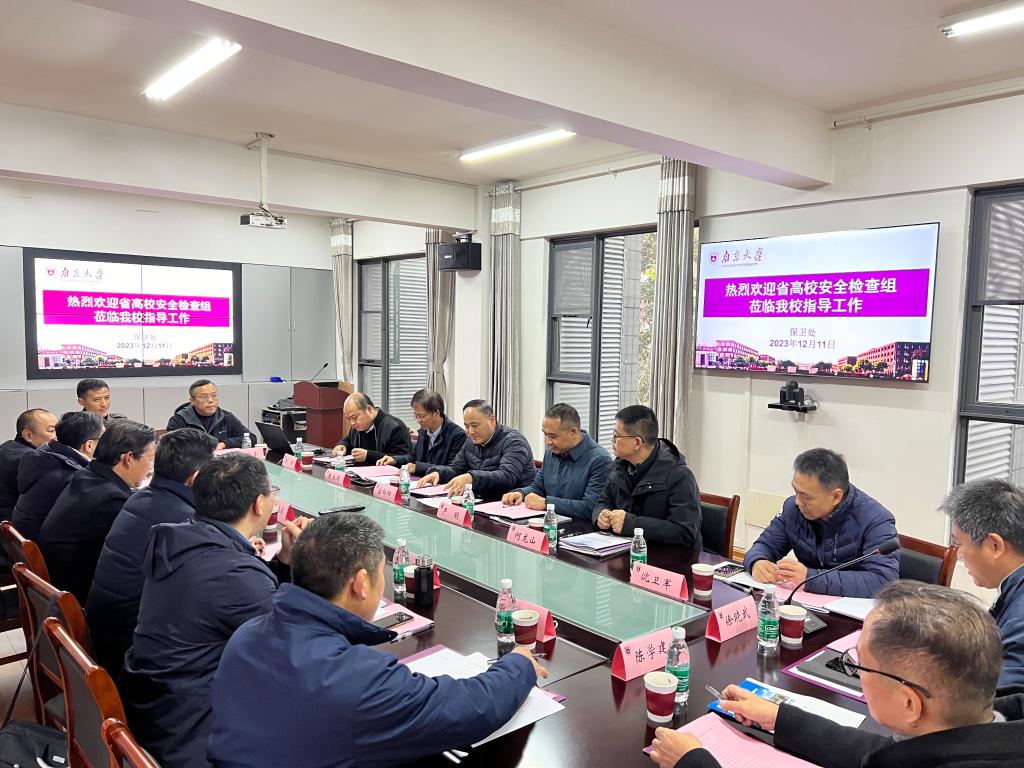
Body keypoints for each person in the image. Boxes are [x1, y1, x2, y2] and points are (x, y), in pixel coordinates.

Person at [208, 514, 546, 767]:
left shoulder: (246, 636)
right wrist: (519, 664)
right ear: (360, 584)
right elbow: (467, 709)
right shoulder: (356, 679)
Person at [649, 582, 1024, 768]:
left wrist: (692, 762)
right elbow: (879, 755)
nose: (856, 673)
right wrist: (778, 717)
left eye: (860, 665)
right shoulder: (978, 734)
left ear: (910, 704)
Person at [120, 454, 307, 768]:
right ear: (259, 504)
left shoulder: (181, 536)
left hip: (154, 707)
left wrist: (285, 560)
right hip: (192, 731)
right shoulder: (233, 573)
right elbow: (296, 651)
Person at [87, 427, 218, 678]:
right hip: (132, 653)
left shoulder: (140, 497)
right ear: (197, 477)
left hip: (106, 628)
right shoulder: (183, 523)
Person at [743, 448, 898, 598]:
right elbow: (765, 545)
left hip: (849, 610)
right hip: (805, 603)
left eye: (806, 497)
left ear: (836, 496)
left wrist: (810, 578)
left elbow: (883, 580)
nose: (797, 501)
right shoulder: (793, 509)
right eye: (796, 491)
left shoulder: (876, 520)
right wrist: (757, 561)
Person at [37, 420, 155, 603]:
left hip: (57, 582)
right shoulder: (111, 500)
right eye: (151, 459)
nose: (150, 468)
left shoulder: (86, 475)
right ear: (128, 458)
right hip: (79, 594)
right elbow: (131, 559)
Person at [943, 478, 1024, 689]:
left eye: (959, 543)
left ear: (995, 546)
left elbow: (997, 700)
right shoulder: (1015, 588)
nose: (959, 555)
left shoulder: (1020, 622)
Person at [593, 405, 702, 547]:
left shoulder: (679, 475)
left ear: (637, 443)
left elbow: (685, 532)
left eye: (616, 436)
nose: (612, 440)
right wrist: (601, 515)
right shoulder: (620, 465)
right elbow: (603, 501)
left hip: (668, 556)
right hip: (626, 548)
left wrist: (631, 524)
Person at [501, 403, 612, 521]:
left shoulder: (600, 460)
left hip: (580, 527)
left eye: (553, 436)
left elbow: (590, 508)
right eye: (545, 434)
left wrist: (547, 503)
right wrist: (521, 493)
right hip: (550, 523)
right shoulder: (551, 453)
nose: (547, 441)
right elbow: (538, 488)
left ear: (573, 432)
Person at [417, 399, 536, 498]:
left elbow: (507, 477)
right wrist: (439, 473)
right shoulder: (471, 441)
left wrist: (471, 478)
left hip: (512, 504)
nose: (470, 431)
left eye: (475, 425)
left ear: (492, 420)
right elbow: (457, 468)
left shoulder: (514, 441)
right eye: (466, 426)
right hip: (482, 501)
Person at [12, 411, 103, 539]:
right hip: (45, 545)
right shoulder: (71, 476)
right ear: (89, 445)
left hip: (29, 536)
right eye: (105, 439)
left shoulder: (45, 456)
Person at [377, 388, 467, 475]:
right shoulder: (424, 431)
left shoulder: (457, 435)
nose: (418, 420)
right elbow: (414, 458)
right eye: (415, 415)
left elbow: (451, 470)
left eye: (422, 416)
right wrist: (395, 460)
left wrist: (417, 468)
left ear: (436, 413)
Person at [0, 408, 57, 518]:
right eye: (51, 431)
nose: (57, 435)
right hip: (12, 523)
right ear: (28, 435)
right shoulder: (32, 459)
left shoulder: (6, 447)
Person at [165, 379, 251, 449]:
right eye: (204, 396)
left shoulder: (225, 417)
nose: (210, 400)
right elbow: (170, 447)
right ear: (192, 401)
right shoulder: (179, 419)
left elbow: (250, 438)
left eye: (214, 395)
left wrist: (224, 444)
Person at [331, 392, 411, 465]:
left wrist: (369, 455)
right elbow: (348, 440)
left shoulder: (395, 427)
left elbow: (404, 458)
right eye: (349, 419)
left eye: (354, 417)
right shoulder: (357, 427)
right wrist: (342, 445)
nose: (352, 423)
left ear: (369, 410)